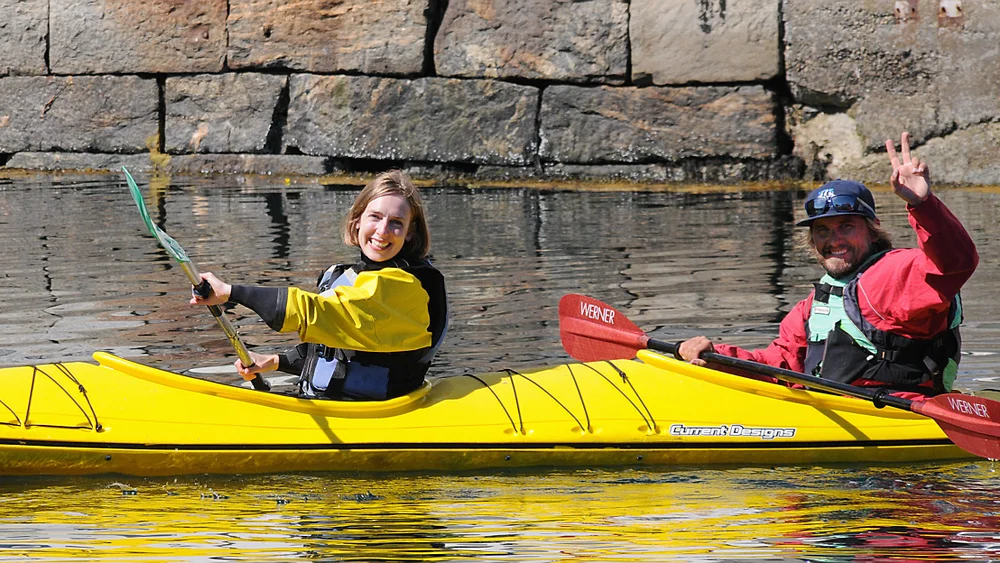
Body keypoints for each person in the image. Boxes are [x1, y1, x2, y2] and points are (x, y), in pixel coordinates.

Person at [677, 132, 979, 396]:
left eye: (846, 227)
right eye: (822, 230)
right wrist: (716, 356)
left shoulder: (895, 275)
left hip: (896, 415)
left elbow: (954, 263)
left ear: (872, 230)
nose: (833, 240)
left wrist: (923, 205)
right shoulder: (814, 303)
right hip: (829, 412)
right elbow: (779, 367)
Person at [190, 170, 448, 400]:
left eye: (396, 222)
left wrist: (230, 293)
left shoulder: (406, 286)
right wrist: (275, 362)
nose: (382, 231)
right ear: (357, 220)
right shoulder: (346, 276)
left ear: (410, 232)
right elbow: (336, 353)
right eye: (375, 217)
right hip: (333, 403)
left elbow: (308, 312)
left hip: (373, 413)